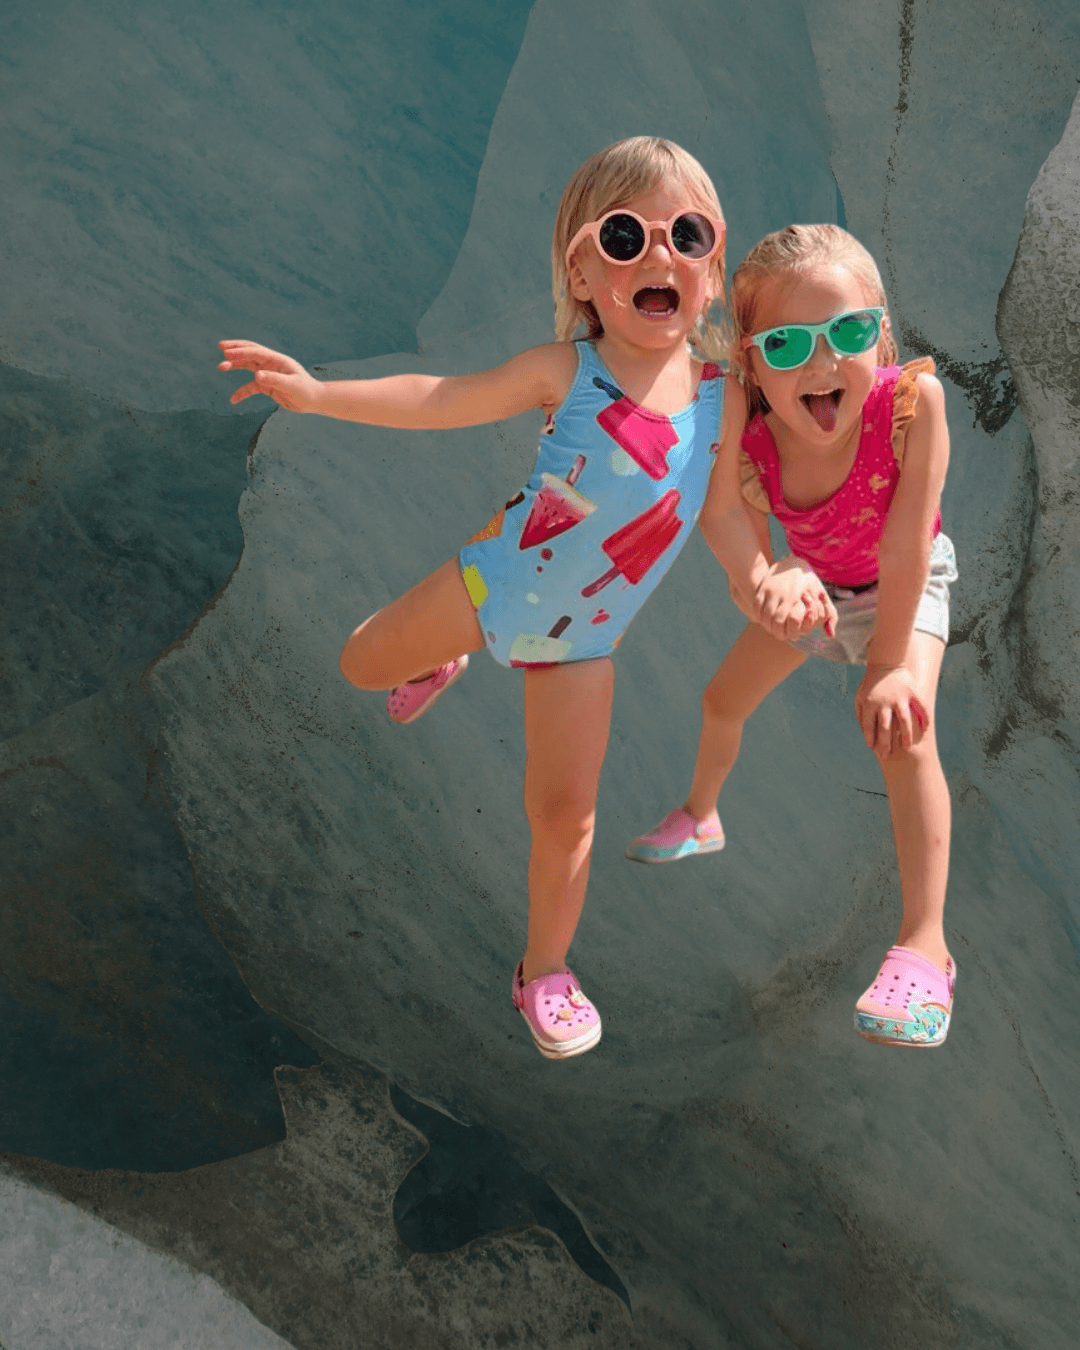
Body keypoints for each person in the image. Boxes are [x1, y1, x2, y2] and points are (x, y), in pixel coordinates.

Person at [218, 138, 832, 1061]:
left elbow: (723, 518)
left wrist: (764, 583)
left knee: (565, 814)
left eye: (686, 235)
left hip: (582, 642)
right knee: (360, 664)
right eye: (624, 237)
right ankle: (442, 657)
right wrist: (317, 395)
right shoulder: (565, 372)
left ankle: (544, 971)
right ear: (582, 273)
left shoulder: (725, 399)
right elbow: (440, 398)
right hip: (494, 583)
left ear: (712, 271)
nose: (658, 254)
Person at [628, 223, 958, 1049]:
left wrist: (889, 664)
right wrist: (765, 578)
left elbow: (907, 546)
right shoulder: (747, 428)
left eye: (848, 331)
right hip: (816, 591)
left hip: (903, 586)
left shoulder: (911, 406)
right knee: (721, 702)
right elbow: (723, 518)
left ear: (881, 334)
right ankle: (702, 814)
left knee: (905, 729)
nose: (821, 363)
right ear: (749, 363)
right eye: (786, 344)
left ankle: (926, 949)